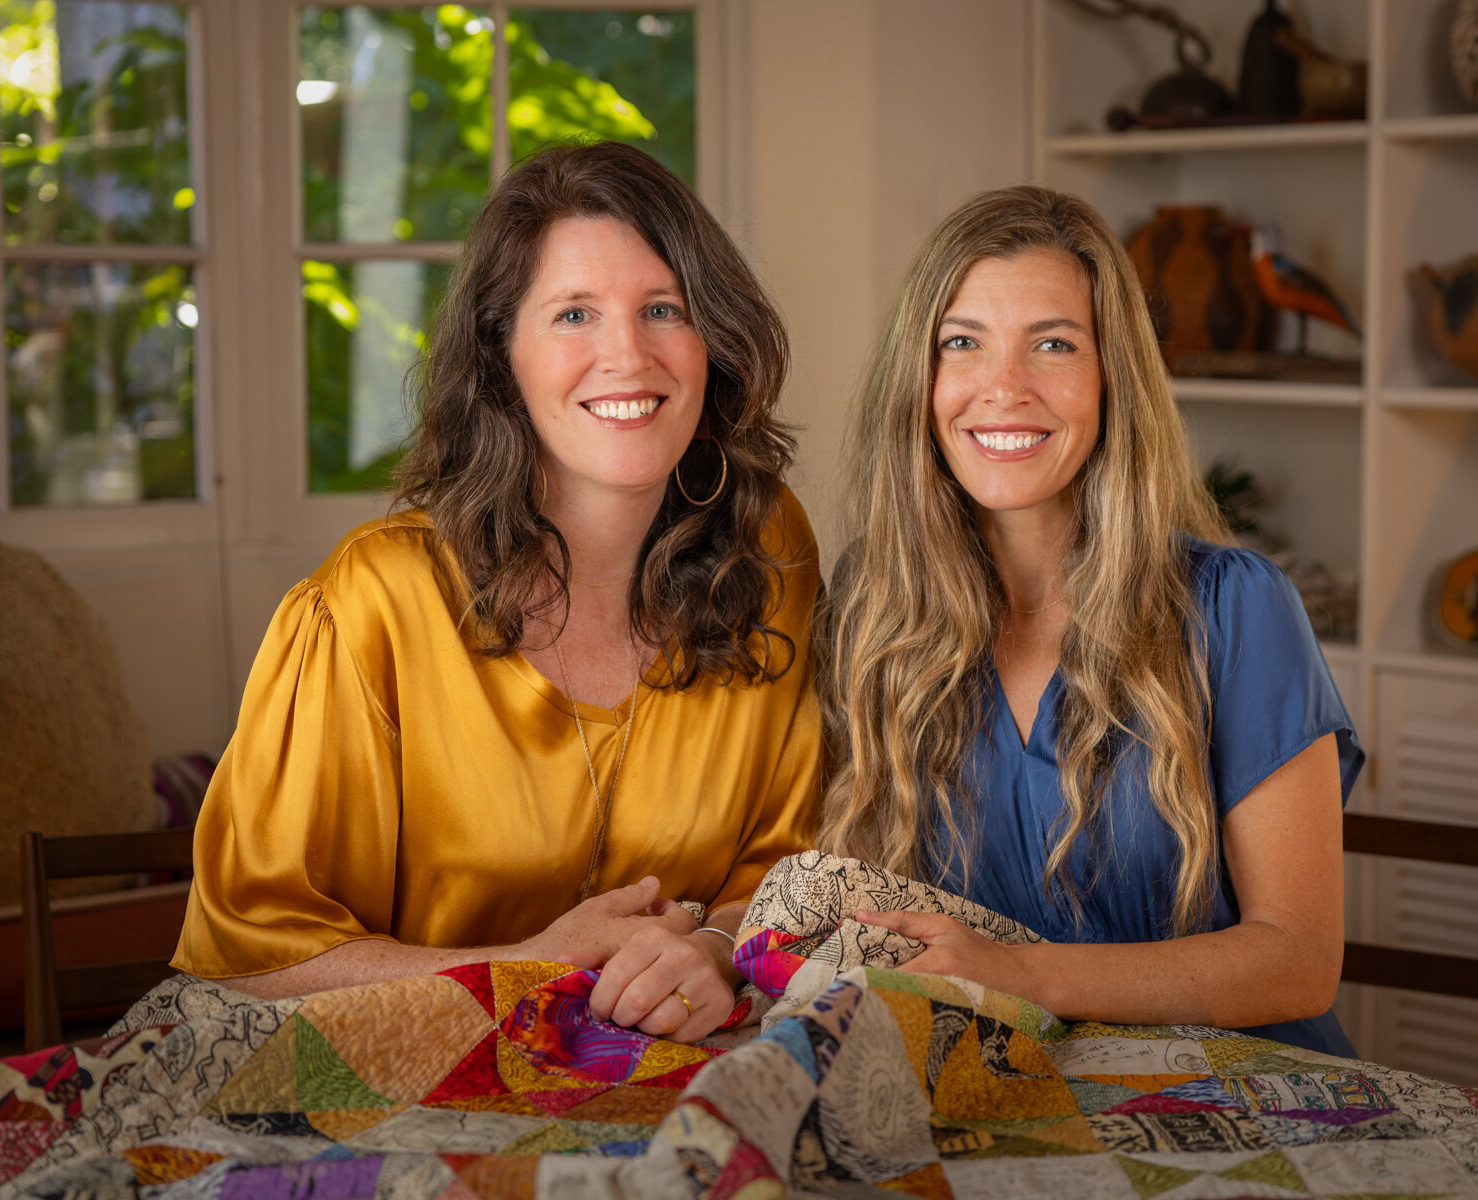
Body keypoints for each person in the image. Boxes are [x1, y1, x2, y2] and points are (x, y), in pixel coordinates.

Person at [174, 142, 821, 1044]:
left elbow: (787, 862)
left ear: (714, 341)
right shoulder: (372, 603)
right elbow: (249, 965)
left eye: (663, 309)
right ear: (499, 359)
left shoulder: (765, 551)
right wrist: (530, 968)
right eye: (574, 314)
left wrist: (712, 950)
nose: (626, 355)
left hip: (679, 1078)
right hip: (409, 1092)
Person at [817, 186, 1363, 1055]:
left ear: (1115, 379)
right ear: (918, 381)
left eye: (1054, 345)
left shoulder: (1237, 607)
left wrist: (1026, 975)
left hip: (1247, 1101)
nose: (1003, 389)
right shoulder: (873, 609)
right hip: (1009, 1094)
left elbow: (1296, 962)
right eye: (962, 343)